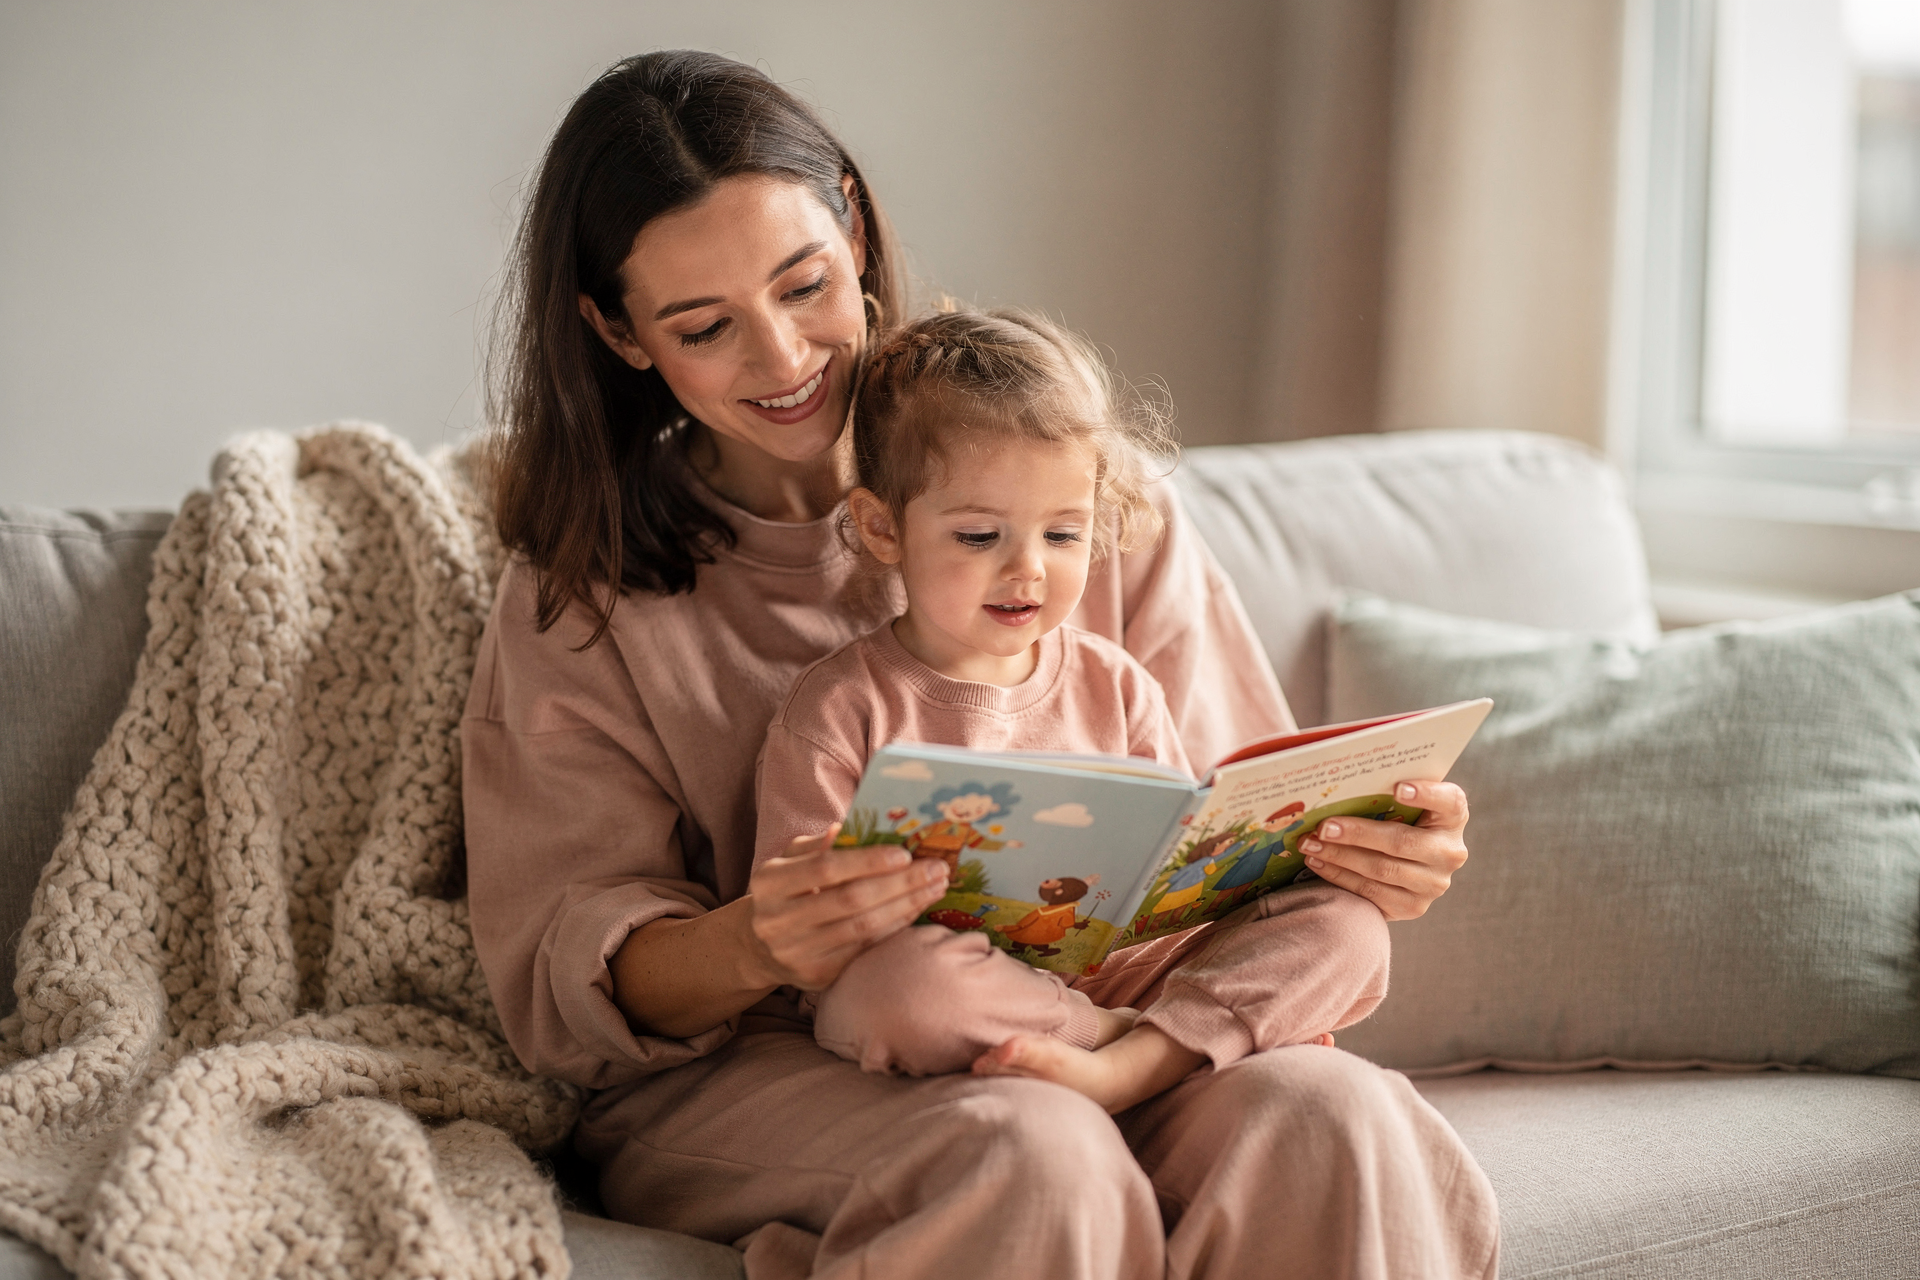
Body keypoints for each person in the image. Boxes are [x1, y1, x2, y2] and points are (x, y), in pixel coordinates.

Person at [463, 49, 1497, 1280]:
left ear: (853, 229)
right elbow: (564, 981)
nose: (784, 357)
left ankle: (1112, 1064)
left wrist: (1366, 842)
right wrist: (760, 942)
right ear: (619, 332)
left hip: (1137, 1018)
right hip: (781, 1059)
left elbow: (1233, 821)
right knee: (1036, 1147)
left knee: (1332, 1115)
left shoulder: (1080, 493)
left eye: (804, 284)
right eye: (705, 327)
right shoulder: (585, 593)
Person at [752, 307, 1381, 1103]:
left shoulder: (1116, 683)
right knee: (899, 988)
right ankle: (1142, 1047)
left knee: (1344, 922)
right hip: (957, 987)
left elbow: (1175, 877)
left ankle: (1133, 1064)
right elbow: (804, 938)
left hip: (1124, 972)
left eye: (1062, 535)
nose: (1029, 570)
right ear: (882, 528)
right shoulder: (841, 708)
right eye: (979, 537)